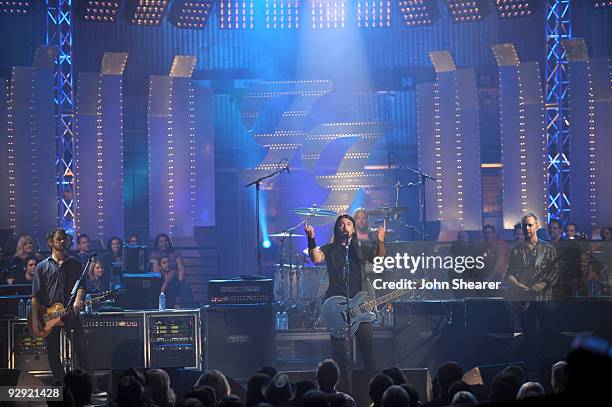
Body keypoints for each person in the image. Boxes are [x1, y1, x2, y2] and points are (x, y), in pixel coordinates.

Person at [305, 214, 386, 379]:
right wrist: (311, 239)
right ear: (336, 228)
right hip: (337, 306)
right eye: (341, 224)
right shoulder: (329, 248)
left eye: (349, 224)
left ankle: (369, 391)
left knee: (368, 352)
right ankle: (340, 390)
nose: (345, 227)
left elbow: (379, 257)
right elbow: (316, 258)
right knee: (339, 356)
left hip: (360, 307)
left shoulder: (361, 247)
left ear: (353, 229)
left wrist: (381, 240)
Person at [30, 229, 102, 396]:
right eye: (59, 239)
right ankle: (62, 389)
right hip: (48, 316)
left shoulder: (75, 263)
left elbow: (82, 285)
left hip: (70, 315)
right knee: (53, 353)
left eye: (65, 239)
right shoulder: (42, 267)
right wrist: (35, 320)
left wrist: (78, 300)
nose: (62, 242)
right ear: (51, 242)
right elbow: (35, 296)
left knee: (82, 349)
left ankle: (90, 388)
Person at [504, 213, 560, 375]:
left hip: (544, 300)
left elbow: (554, 273)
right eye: (525, 225)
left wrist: (540, 286)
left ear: (537, 226)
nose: (527, 228)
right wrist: (518, 285)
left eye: (530, 225)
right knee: (529, 339)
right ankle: (532, 373)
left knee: (549, 336)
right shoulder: (516, 250)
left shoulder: (548, 248)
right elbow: (509, 274)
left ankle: (552, 373)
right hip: (525, 302)